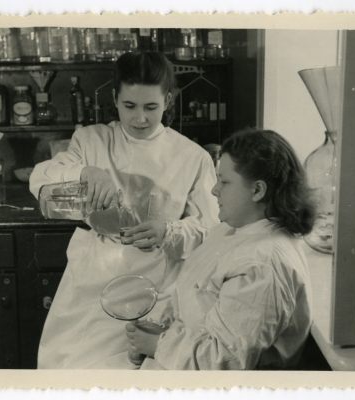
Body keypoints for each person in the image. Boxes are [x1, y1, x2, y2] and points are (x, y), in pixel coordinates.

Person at [29, 51, 219, 369]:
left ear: (168, 100)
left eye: (151, 107)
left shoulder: (193, 156)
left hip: (156, 281)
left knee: (136, 371)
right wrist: (84, 172)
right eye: (130, 106)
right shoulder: (90, 141)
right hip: (93, 275)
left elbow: (211, 228)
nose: (140, 118)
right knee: (71, 367)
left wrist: (168, 231)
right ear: (115, 99)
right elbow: (41, 178)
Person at [126, 129, 316, 370]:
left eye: (224, 182)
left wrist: (157, 345)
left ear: (257, 190)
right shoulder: (231, 230)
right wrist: (158, 331)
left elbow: (224, 362)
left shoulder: (263, 265)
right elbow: (195, 296)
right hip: (180, 358)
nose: (214, 190)